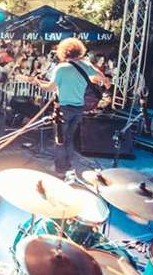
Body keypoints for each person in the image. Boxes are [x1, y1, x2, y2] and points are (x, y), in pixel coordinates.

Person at [36, 38, 110, 177]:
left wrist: (39, 83)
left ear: (64, 52)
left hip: (63, 109)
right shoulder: (86, 65)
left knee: (60, 140)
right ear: (79, 51)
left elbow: (50, 87)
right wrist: (102, 80)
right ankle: (68, 165)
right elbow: (102, 78)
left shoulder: (61, 68)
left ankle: (59, 169)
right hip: (78, 109)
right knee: (69, 138)